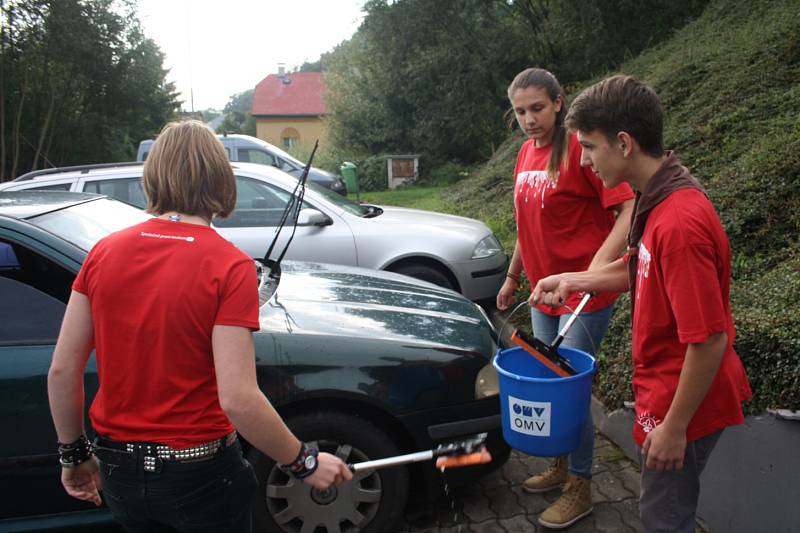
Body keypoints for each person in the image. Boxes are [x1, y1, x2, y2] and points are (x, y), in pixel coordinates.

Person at [47, 120, 352, 533]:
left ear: (153, 177)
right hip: (201, 476)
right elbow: (239, 399)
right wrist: (304, 461)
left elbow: (63, 370)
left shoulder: (103, 253)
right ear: (220, 180)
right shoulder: (229, 266)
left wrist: (73, 456)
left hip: (120, 475)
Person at [533, 75, 751, 532]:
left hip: (684, 403)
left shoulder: (680, 224)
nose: (586, 160)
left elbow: (710, 339)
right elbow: (640, 267)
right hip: (667, 393)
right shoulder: (659, 198)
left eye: (590, 147)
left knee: (664, 519)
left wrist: (674, 428)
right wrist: (573, 280)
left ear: (625, 143)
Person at [497, 67, 635, 529]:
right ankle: (559, 466)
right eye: (520, 111)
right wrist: (513, 277)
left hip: (582, 298)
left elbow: (627, 208)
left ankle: (581, 486)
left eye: (537, 107)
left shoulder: (581, 148)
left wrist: (592, 272)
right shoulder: (524, 153)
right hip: (542, 293)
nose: (529, 119)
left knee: (569, 391)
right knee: (548, 383)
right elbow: (527, 225)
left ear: (558, 102)